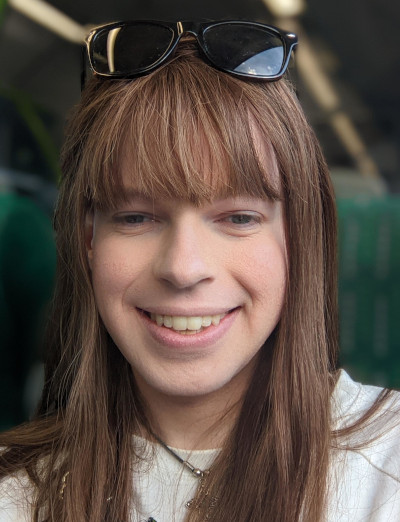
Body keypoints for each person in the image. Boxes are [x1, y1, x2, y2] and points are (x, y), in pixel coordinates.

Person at [1, 20, 400, 522]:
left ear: (300, 238)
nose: (183, 268)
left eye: (239, 218)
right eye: (135, 218)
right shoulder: (15, 492)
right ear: (88, 242)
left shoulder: (386, 470)